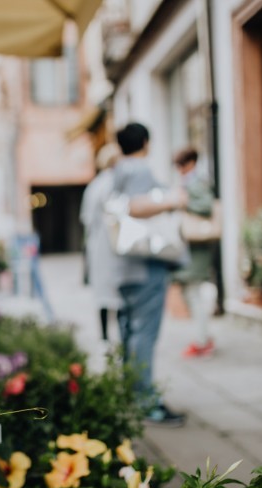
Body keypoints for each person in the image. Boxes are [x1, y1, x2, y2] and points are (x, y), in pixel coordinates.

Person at [113, 122, 187, 427]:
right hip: (146, 264)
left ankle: (132, 394)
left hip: (125, 266)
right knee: (144, 334)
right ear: (145, 142)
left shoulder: (116, 171)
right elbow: (135, 207)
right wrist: (172, 200)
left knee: (131, 332)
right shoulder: (139, 169)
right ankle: (146, 401)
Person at [172, 147, 218, 357]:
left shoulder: (195, 182)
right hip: (191, 247)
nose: (179, 169)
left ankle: (202, 340)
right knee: (192, 292)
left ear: (191, 163)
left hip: (197, 248)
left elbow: (206, 206)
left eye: (181, 165)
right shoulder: (190, 181)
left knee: (194, 292)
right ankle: (203, 338)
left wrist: (185, 203)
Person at [80, 143, 123, 347]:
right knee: (117, 290)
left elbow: (87, 219)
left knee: (103, 292)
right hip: (113, 243)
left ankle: (105, 335)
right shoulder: (114, 183)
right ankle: (118, 333)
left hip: (99, 244)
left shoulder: (95, 185)